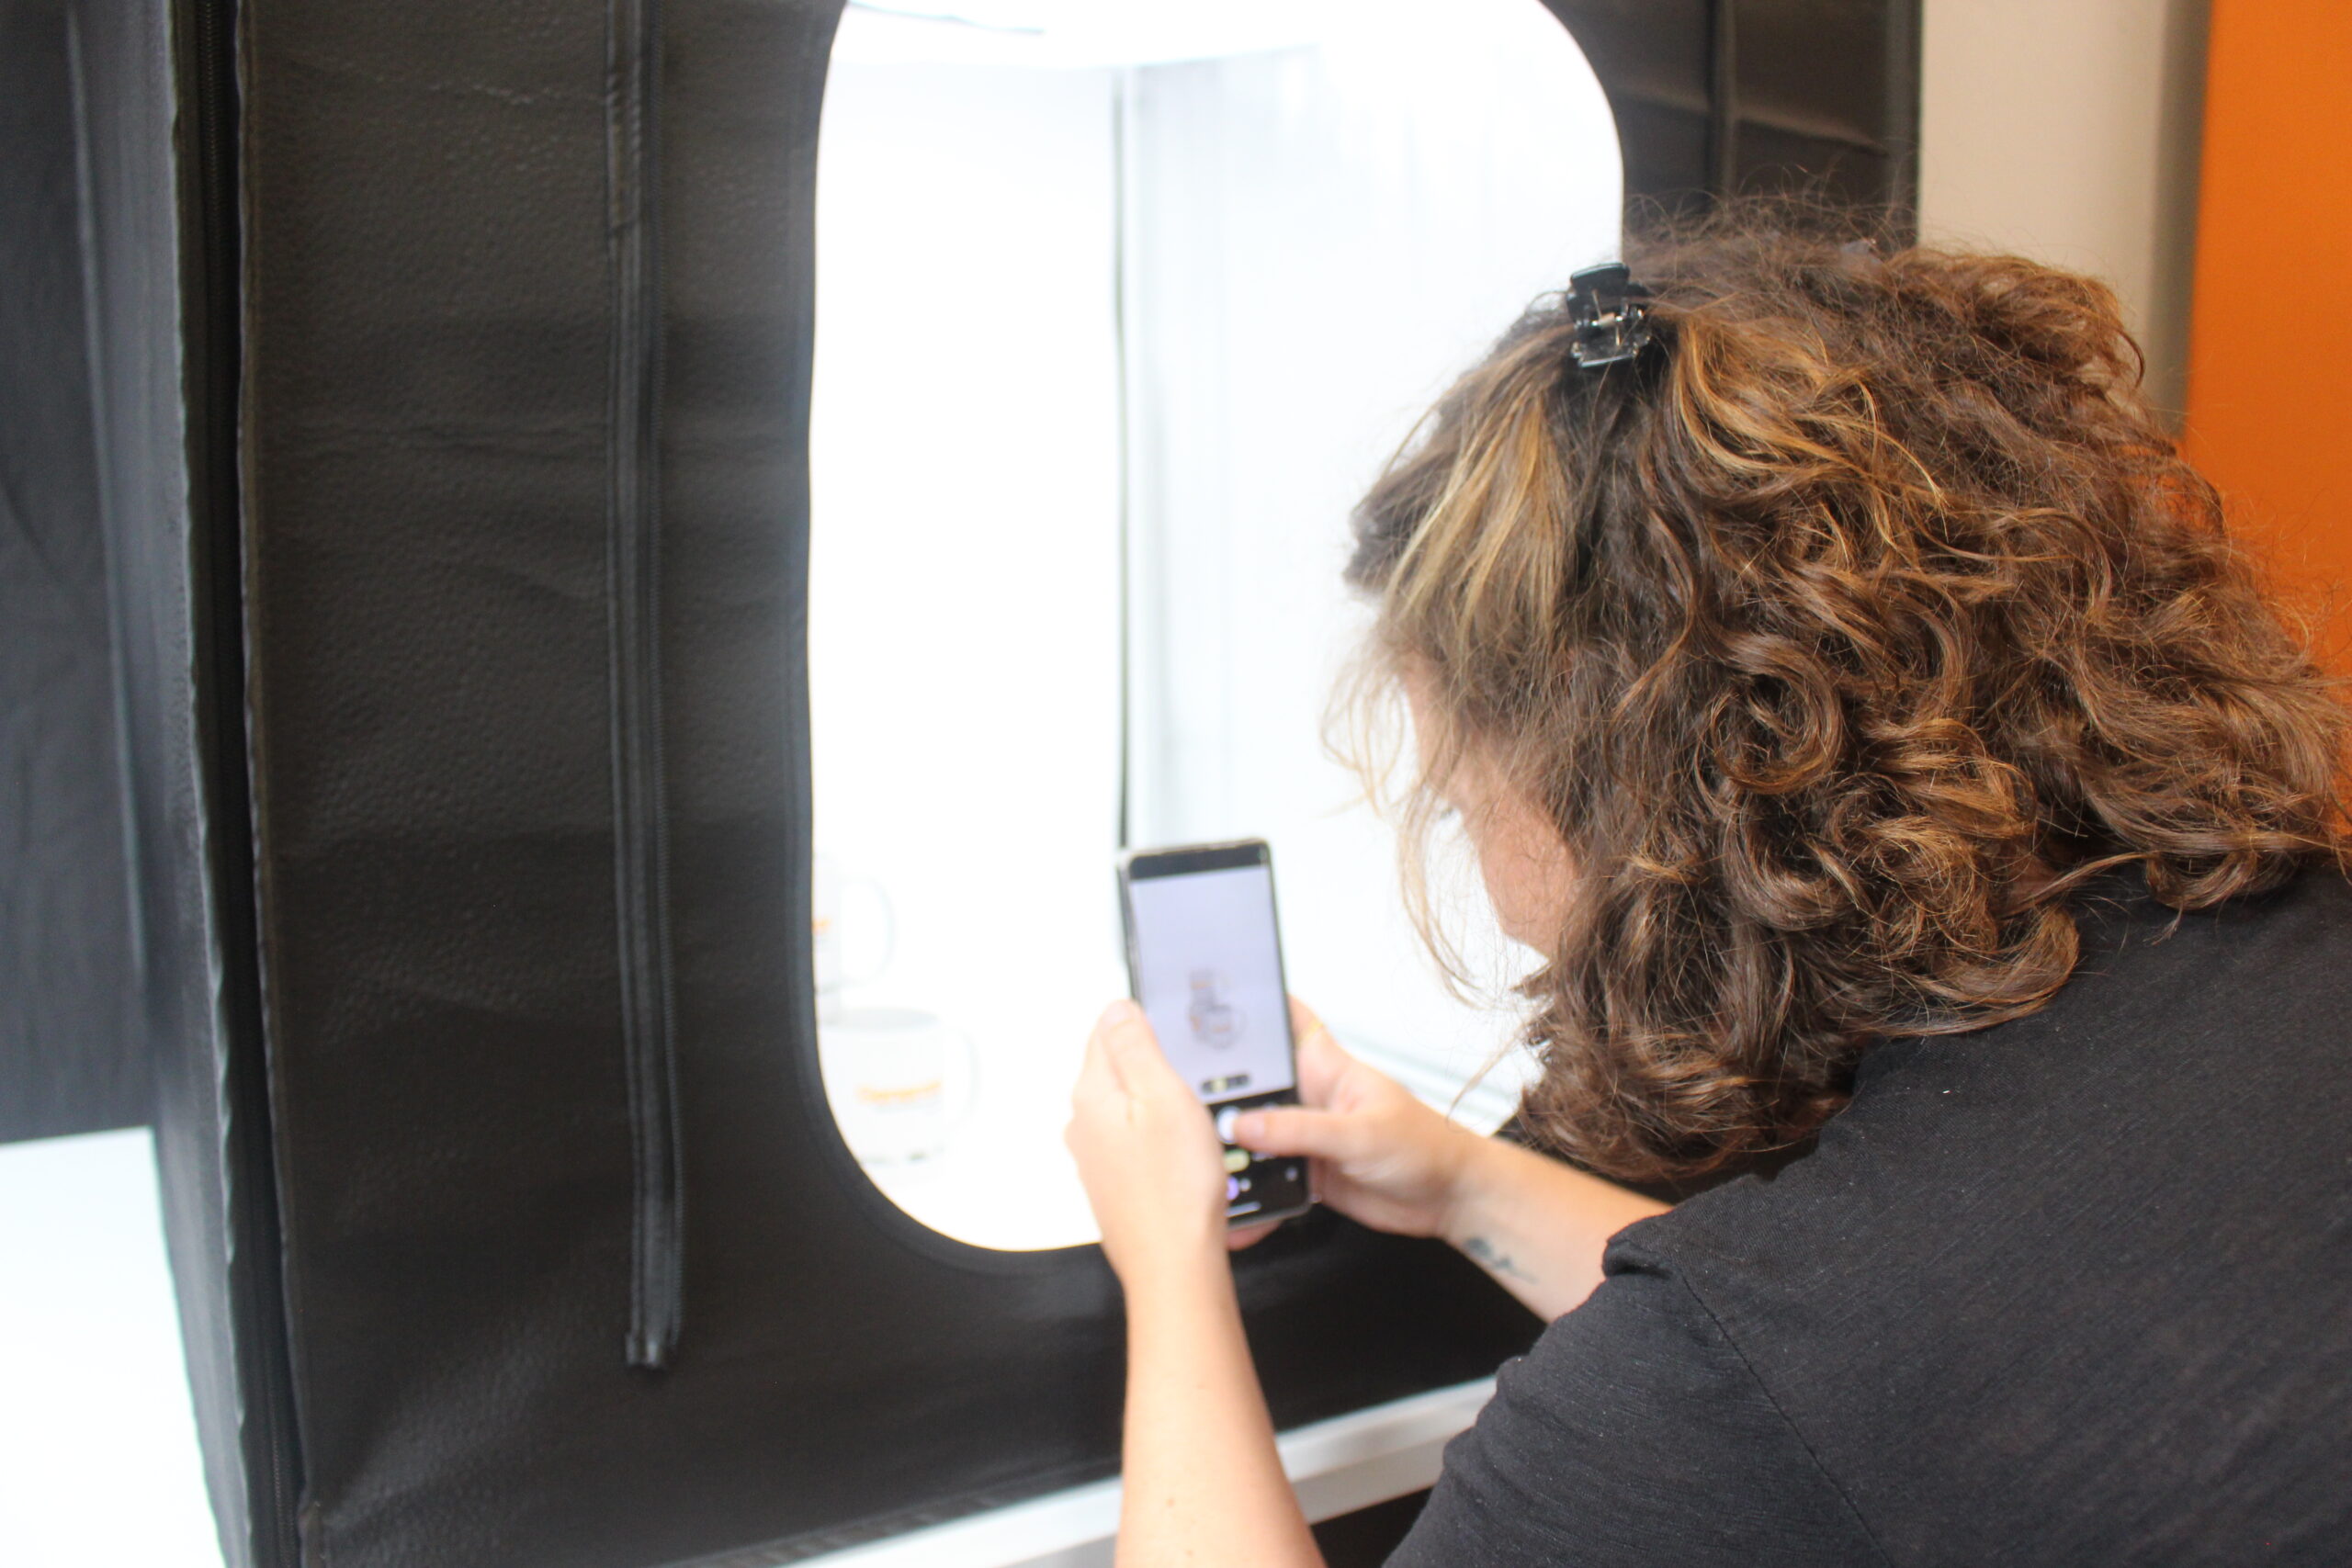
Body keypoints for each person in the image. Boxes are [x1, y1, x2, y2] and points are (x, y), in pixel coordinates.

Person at [1063, 220, 2352, 1566]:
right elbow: (1879, 1357)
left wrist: (1170, 1271)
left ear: (1618, 791)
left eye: (1461, 803)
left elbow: (1770, 1372)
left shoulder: (1724, 1379)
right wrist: (1460, 1188)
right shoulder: (2285, 946)